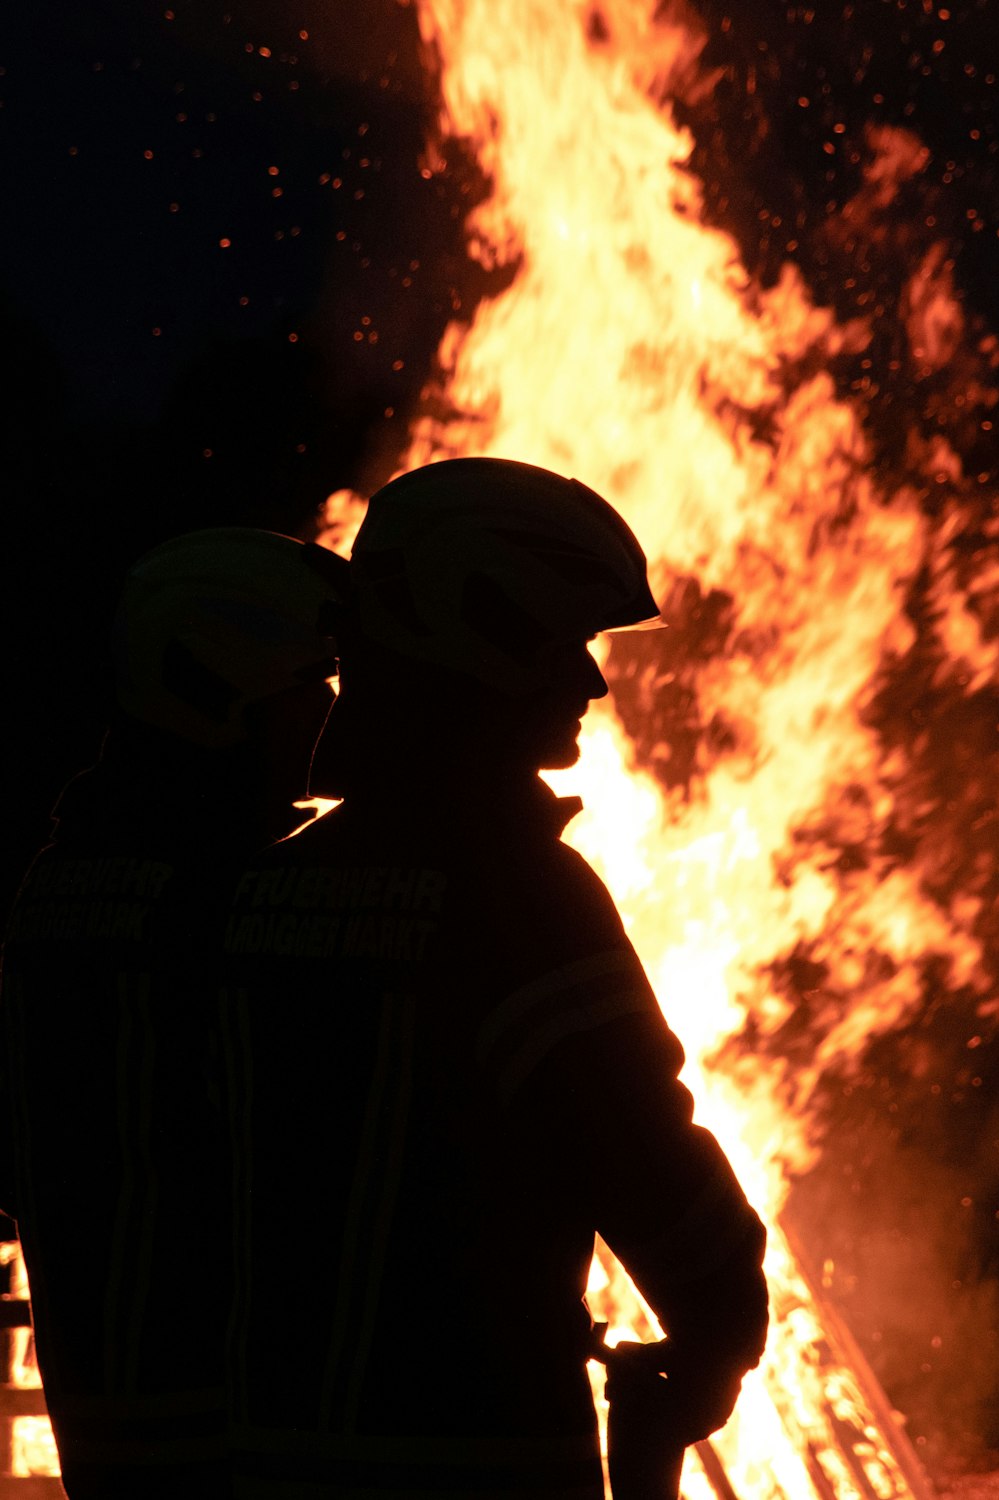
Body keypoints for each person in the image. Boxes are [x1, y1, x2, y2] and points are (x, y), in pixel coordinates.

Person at [218, 457, 769, 1499]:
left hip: (258, 1460)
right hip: (476, 1456)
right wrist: (717, 1334)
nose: (591, 681)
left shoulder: (255, 894)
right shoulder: (519, 899)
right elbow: (646, 1161)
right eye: (566, 643)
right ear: (477, 630)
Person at [0, 527, 349, 1498]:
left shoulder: (65, 879)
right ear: (216, 690)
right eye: (306, 685)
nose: (330, 709)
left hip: (108, 1400)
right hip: (234, 1418)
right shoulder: (236, 897)